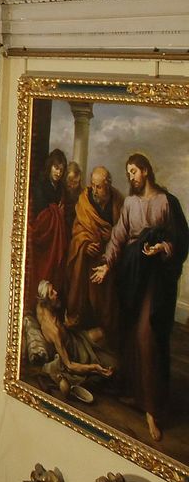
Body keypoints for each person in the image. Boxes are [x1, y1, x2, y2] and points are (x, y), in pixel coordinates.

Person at [89, 153, 188, 442]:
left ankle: (152, 408)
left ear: (145, 171)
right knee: (132, 334)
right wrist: (107, 264)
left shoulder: (166, 202)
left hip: (155, 280)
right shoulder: (130, 204)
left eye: (133, 171)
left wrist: (162, 248)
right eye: (128, 172)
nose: (130, 177)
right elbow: (119, 236)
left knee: (148, 335)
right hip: (131, 275)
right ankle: (136, 392)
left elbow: (182, 239)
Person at [61, 166, 123, 332]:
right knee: (83, 294)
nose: (94, 190)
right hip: (86, 259)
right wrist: (85, 245)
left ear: (107, 185)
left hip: (107, 257)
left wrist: (111, 236)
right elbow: (77, 230)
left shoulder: (118, 201)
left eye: (99, 187)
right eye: (93, 185)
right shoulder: (84, 200)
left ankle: (103, 329)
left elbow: (122, 231)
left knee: (105, 301)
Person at [25, 149, 71, 315]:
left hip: (55, 238)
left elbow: (63, 210)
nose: (58, 172)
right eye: (56, 168)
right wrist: (56, 211)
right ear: (50, 167)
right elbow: (41, 217)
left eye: (61, 169)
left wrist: (58, 212)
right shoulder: (40, 186)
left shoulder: (61, 189)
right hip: (44, 238)